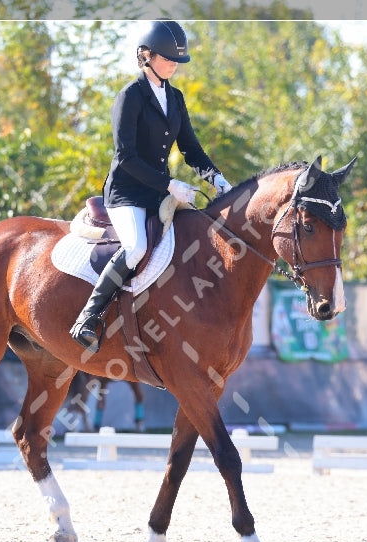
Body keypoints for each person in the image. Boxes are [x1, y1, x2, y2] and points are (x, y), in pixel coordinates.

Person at [70, 20, 232, 352]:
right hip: (127, 192)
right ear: (146, 56)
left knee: (196, 233)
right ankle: (87, 316)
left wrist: (216, 178)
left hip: (158, 192)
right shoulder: (130, 96)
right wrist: (170, 184)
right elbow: (126, 156)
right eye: (167, 58)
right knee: (136, 249)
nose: (173, 64)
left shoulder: (175, 97)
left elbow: (190, 148)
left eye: (177, 60)